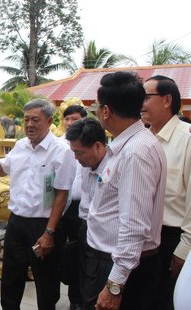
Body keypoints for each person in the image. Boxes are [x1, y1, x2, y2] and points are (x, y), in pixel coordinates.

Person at [0, 99, 76, 310]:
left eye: (35, 120)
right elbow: (0, 169)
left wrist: (49, 232)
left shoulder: (61, 151)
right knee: (11, 278)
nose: (29, 125)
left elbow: (62, 193)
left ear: (49, 121)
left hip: (44, 225)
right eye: (26, 120)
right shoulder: (20, 146)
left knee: (46, 282)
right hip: (16, 224)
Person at [83, 71, 167, 310]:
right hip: (112, 262)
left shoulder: (136, 151)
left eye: (97, 106)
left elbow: (134, 225)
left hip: (123, 269)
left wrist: (115, 284)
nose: (97, 111)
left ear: (106, 111)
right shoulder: (130, 145)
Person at [142, 75, 191, 310]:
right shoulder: (141, 140)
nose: (140, 102)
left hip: (173, 239)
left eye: (146, 97)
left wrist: (184, 249)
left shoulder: (187, 140)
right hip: (143, 239)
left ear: (166, 100)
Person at [65, 117, 108, 310]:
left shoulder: (114, 168)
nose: (76, 158)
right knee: (81, 279)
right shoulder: (86, 164)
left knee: (95, 290)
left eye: (79, 152)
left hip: (104, 241)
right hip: (85, 227)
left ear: (98, 146)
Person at [60, 104, 87, 310]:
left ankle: (78, 299)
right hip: (62, 207)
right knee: (63, 253)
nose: (70, 123)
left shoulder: (91, 144)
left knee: (80, 254)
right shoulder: (59, 145)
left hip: (84, 208)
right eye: (67, 118)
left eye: (75, 119)